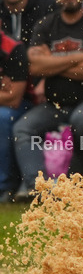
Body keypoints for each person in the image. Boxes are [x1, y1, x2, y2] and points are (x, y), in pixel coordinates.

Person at [11, 0, 83, 201]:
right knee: (22, 129)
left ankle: (76, 187)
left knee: (81, 122)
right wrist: (80, 57)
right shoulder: (45, 25)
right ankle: (40, 189)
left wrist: (53, 61)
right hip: (53, 104)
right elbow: (34, 67)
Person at [0, 25, 28, 201]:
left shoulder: (13, 48)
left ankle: (5, 185)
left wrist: (6, 94)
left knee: (2, 118)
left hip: (22, 105)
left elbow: (13, 98)